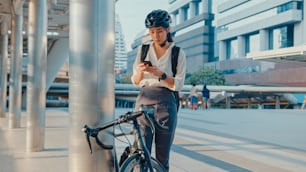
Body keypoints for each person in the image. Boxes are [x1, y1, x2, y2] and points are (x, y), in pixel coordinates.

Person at [131, 9, 186, 171]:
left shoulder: (177, 53)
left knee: (162, 155)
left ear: (168, 29)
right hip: (144, 99)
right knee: (141, 151)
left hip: (166, 102)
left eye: (159, 31)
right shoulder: (143, 50)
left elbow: (178, 84)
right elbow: (135, 81)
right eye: (152, 32)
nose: (156, 36)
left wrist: (160, 74)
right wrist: (141, 71)